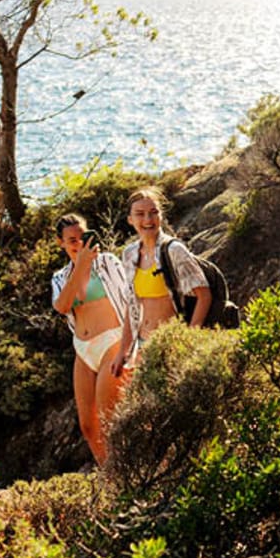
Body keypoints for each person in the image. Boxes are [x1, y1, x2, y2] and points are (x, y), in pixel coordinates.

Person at [50, 213, 134, 465]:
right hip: (83, 350)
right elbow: (62, 306)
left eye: (82, 237)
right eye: (71, 240)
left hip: (113, 341)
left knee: (110, 417)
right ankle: (110, 477)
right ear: (61, 243)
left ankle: (129, 472)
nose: (78, 244)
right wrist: (81, 265)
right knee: (88, 426)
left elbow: (132, 301)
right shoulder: (59, 277)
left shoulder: (108, 263)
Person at [119, 187, 212, 363]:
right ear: (130, 220)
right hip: (142, 345)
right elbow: (131, 308)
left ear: (161, 216)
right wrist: (123, 351)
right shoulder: (129, 254)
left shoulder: (174, 250)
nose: (148, 219)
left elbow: (204, 295)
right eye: (140, 214)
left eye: (153, 212)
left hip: (172, 345)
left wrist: (188, 342)